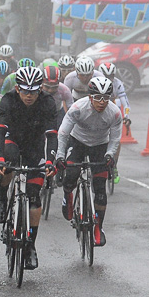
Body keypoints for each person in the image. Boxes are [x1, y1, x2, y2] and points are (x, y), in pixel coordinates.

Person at [0, 66, 59, 269]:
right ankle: (3, 198)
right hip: (13, 140)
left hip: (35, 146)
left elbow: (52, 136)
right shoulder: (8, 100)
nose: (29, 96)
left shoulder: (47, 102)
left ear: (40, 89)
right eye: (25, 91)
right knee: (8, 163)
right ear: (18, 89)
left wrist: (49, 161)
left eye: (33, 91)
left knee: (34, 196)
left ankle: (30, 246)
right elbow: (0, 133)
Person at [56, 76, 122, 248]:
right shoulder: (78, 108)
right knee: (70, 175)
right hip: (77, 142)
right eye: (98, 97)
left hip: (100, 146)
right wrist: (60, 156)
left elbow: (115, 139)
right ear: (90, 97)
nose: (102, 102)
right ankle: (68, 195)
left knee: (100, 189)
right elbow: (63, 133)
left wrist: (109, 155)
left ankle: (98, 227)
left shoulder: (114, 112)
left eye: (106, 98)